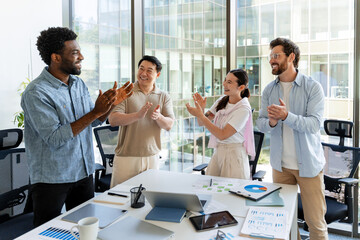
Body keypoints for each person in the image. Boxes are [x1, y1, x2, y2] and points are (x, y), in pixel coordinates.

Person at [21, 27, 133, 227]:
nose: (81, 56)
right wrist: (96, 112)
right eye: (74, 53)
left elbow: (93, 122)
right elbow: (54, 137)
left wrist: (111, 105)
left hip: (83, 172)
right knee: (46, 233)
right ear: (55, 57)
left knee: (85, 229)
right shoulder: (36, 93)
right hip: (52, 179)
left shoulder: (78, 84)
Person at [256, 37, 328, 240]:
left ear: (291, 57)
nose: (272, 60)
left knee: (316, 224)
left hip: (309, 167)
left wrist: (287, 116)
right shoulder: (269, 90)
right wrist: (271, 122)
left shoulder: (312, 87)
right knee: (284, 221)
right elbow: (260, 124)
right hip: (280, 167)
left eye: (276, 55)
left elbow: (314, 124)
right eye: (270, 56)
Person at [109, 55, 175, 187]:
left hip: (152, 157)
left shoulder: (163, 96)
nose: (143, 73)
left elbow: (169, 125)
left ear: (158, 74)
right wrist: (137, 116)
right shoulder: (126, 92)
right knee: (120, 198)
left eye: (149, 70)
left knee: (149, 199)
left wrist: (159, 117)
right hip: (126, 158)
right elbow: (113, 119)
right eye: (141, 69)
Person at [186, 69, 255, 179]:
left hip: (235, 154)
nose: (224, 84)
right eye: (225, 80)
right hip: (219, 152)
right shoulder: (222, 101)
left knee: (232, 193)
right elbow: (201, 122)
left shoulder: (243, 109)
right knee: (210, 189)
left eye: (229, 82)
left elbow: (223, 135)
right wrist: (201, 109)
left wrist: (202, 116)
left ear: (241, 87)